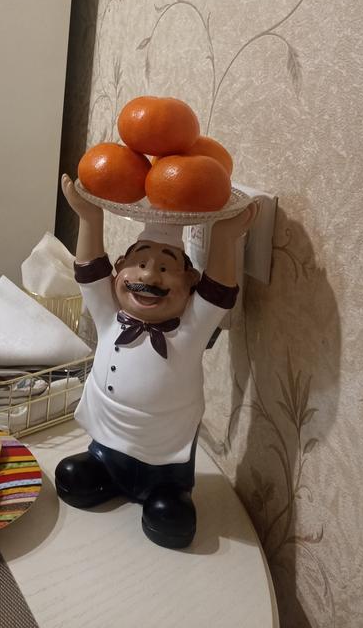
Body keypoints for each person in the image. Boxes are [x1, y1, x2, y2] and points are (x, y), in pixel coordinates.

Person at [58, 173, 257, 549]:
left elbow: (219, 293)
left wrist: (225, 237)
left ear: (191, 283)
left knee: (170, 516)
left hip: (165, 457)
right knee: (71, 475)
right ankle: (104, 469)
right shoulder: (110, 317)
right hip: (108, 442)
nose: (149, 276)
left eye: (165, 268)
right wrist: (90, 217)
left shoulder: (190, 331)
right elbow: (89, 273)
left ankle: (166, 491)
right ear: (119, 269)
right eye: (138, 264)